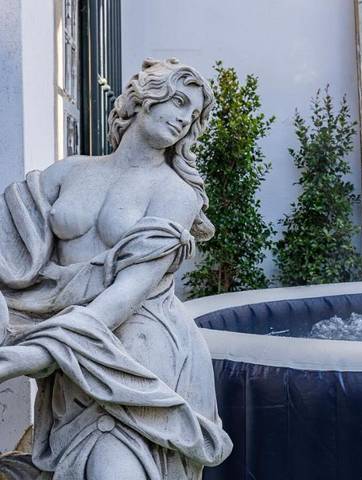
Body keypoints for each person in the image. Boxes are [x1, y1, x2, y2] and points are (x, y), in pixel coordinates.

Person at [0, 58, 232, 480]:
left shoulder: (176, 194)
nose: (183, 117)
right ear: (144, 98)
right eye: (177, 101)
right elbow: (9, 253)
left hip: (135, 349)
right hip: (72, 338)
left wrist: (29, 355)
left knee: (114, 467)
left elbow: (125, 295)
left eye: (193, 113)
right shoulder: (69, 171)